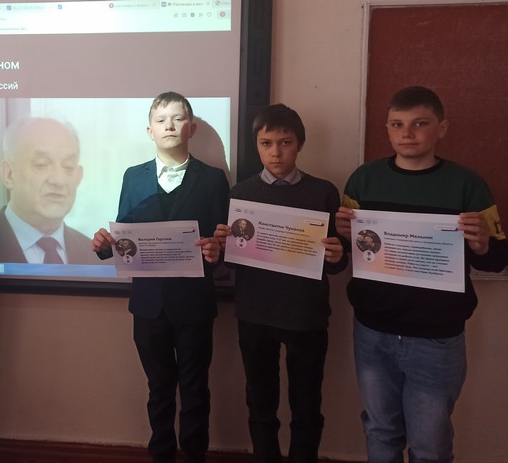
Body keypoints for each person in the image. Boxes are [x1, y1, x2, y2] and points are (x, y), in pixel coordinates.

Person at [335, 86, 507, 462]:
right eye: (397, 124)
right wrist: (343, 234)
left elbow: (496, 260)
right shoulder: (363, 180)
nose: (407, 133)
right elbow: (354, 249)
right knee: (380, 431)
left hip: (436, 338)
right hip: (373, 331)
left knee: (430, 444)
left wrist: (482, 244)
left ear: (441, 128)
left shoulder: (468, 185)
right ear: (387, 129)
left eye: (420, 123)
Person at [92, 92, 228, 463]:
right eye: (162, 119)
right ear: (149, 131)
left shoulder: (213, 179)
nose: (170, 125)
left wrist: (217, 250)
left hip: (195, 303)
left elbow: (224, 242)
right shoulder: (133, 177)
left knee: (196, 390)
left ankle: (195, 456)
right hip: (148, 304)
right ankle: (161, 455)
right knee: (159, 389)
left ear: (191, 128)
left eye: (178, 118)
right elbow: (125, 238)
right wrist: (104, 246)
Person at [214, 104, 347, 463]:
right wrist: (223, 247)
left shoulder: (324, 192)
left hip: (306, 314)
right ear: (257, 146)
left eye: (285, 142)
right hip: (255, 313)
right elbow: (234, 261)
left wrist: (337, 255)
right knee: (260, 405)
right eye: (266, 143)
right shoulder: (241, 193)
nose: (276, 152)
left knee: (307, 407)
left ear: (300, 144)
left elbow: (336, 263)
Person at [0, 117, 102, 265]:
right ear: (9, 174)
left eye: (68, 167)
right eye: (41, 165)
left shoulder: (97, 257)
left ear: (78, 177)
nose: (58, 180)